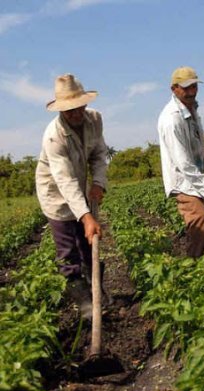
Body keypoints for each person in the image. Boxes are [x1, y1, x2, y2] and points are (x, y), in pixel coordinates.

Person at [36, 73, 108, 318]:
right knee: (69, 251)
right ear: (61, 111)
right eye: (69, 111)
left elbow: (99, 154)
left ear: (84, 103)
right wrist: (87, 216)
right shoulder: (54, 136)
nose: (76, 114)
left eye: (78, 107)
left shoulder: (95, 120)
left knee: (89, 243)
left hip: (80, 186)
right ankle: (86, 306)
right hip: (56, 193)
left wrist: (98, 183)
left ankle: (98, 292)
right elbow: (64, 180)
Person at [158, 66, 204, 257]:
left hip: (196, 174)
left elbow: (195, 139)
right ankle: (194, 268)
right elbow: (183, 161)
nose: (192, 91)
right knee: (199, 217)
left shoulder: (191, 108)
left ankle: (200, 258)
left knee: (201, 223)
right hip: (183, 180)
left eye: (194, 86)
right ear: (174, 89)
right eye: (186, 88)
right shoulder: (171, 119)